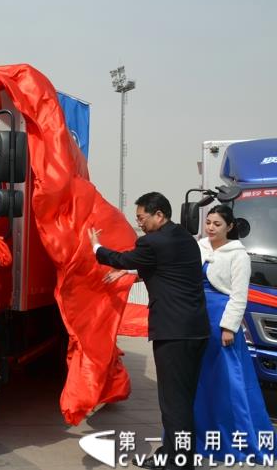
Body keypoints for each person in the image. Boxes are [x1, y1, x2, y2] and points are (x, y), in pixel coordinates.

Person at [89, 192, 209, 470]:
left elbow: (121, 258)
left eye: (142, 218)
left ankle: (179, 463)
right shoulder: (185, 239)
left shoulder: (152, 242)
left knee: (173, 402)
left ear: (159, 215)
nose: (139, 223)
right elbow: (168, 269)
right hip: (196, 329)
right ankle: (170, 455)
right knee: (183, 399)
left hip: (173, 332)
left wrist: (96, 247)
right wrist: (133, 273)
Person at [193, 205, 274, 462]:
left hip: (221, 322)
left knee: (229, 384)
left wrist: (229, 326)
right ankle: (197, 438)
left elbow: (240, 295)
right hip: (195, 319)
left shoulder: (239, 254)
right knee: (198, 381)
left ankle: (236, 440)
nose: (211, 228)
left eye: (217, 224)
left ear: (229, 227)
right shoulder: (198, 246)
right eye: (208, 222)